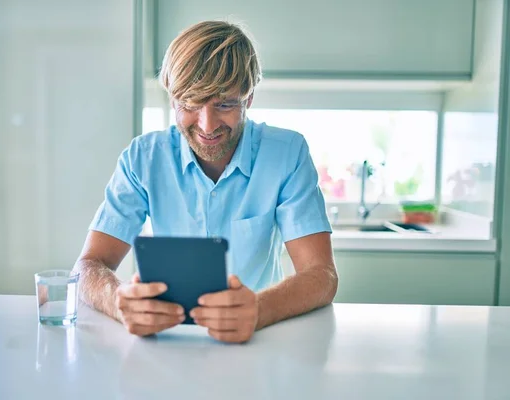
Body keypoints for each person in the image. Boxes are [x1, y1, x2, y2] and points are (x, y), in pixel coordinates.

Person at [73, 20, 338, 344]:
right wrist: (119, 301)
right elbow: (88, 266)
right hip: (166, 344)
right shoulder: (142, 158)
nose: (207, 125)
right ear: (172, 99)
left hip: (258, 341)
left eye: (225, 104)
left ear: (249, 98)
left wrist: (258, 310)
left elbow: (321, 275)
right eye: (189, 104)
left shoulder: (286, 154)